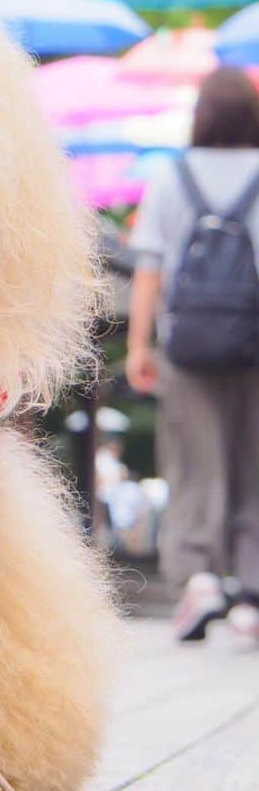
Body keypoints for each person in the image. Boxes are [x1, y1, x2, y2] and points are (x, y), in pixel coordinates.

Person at [127, 66, 259, 645]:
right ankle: (252, 597)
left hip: (188, 345)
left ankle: (200, 579)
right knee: (253, 467)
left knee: (193, 462)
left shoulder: (170, 178)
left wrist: (139, 346)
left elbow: (149, 268)